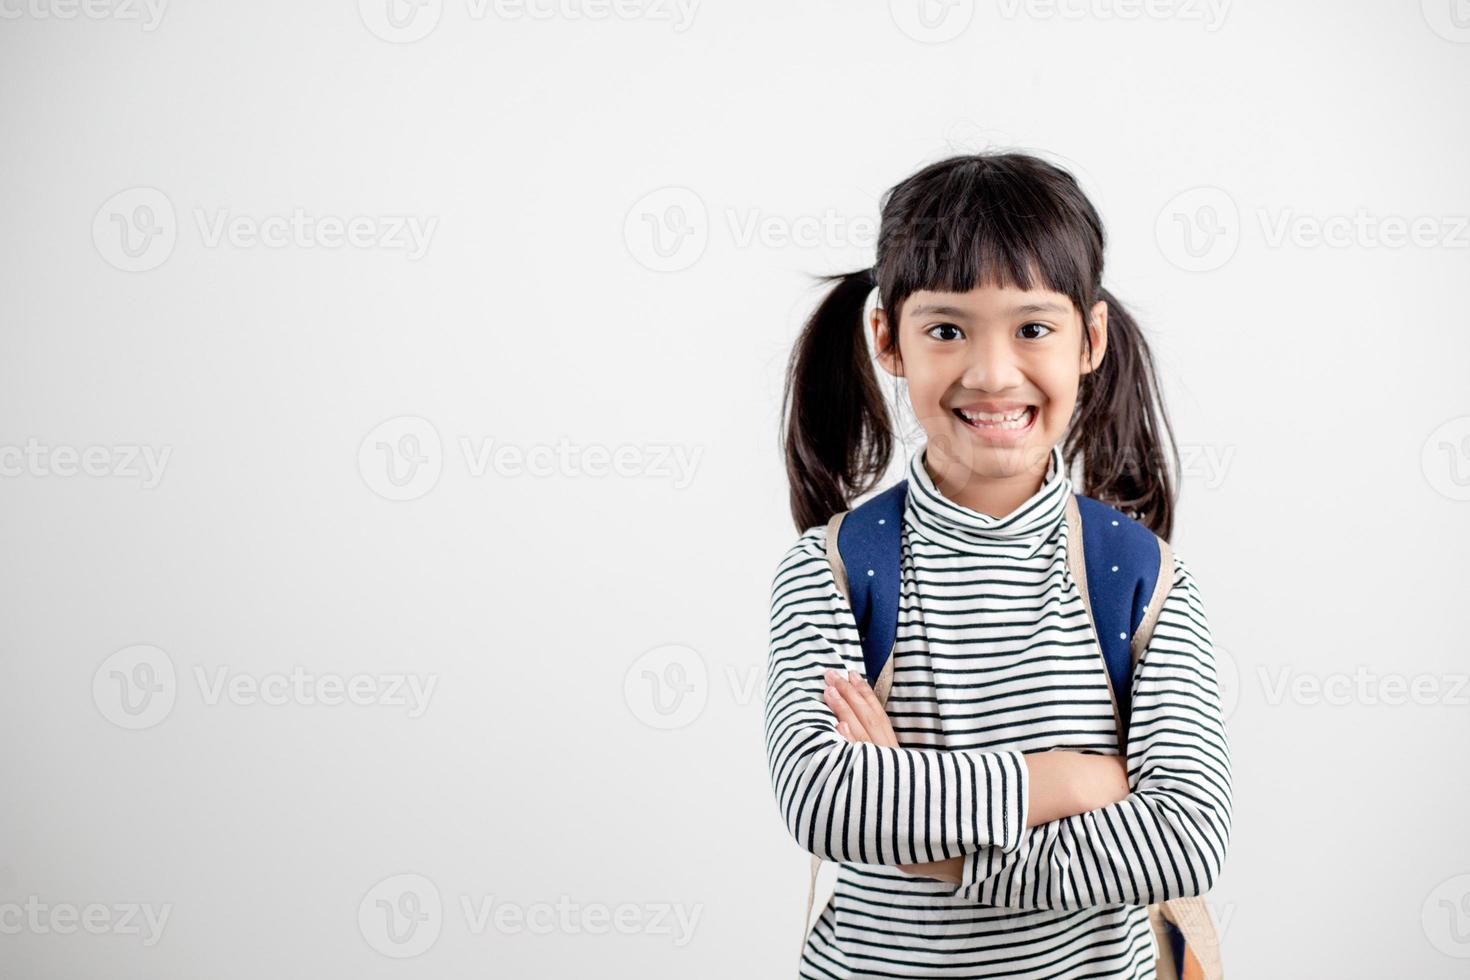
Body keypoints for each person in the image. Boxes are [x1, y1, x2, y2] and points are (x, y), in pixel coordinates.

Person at [765, 151, 1233, 978]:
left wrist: (936, 847)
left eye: (1032, 327)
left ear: (1090, 339)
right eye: (946, 329)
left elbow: (1189, 837)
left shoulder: (1147, 583)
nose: (990, 373)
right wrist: (1073, 781)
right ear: (889, 338)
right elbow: (824, 799)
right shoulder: (831, 571)